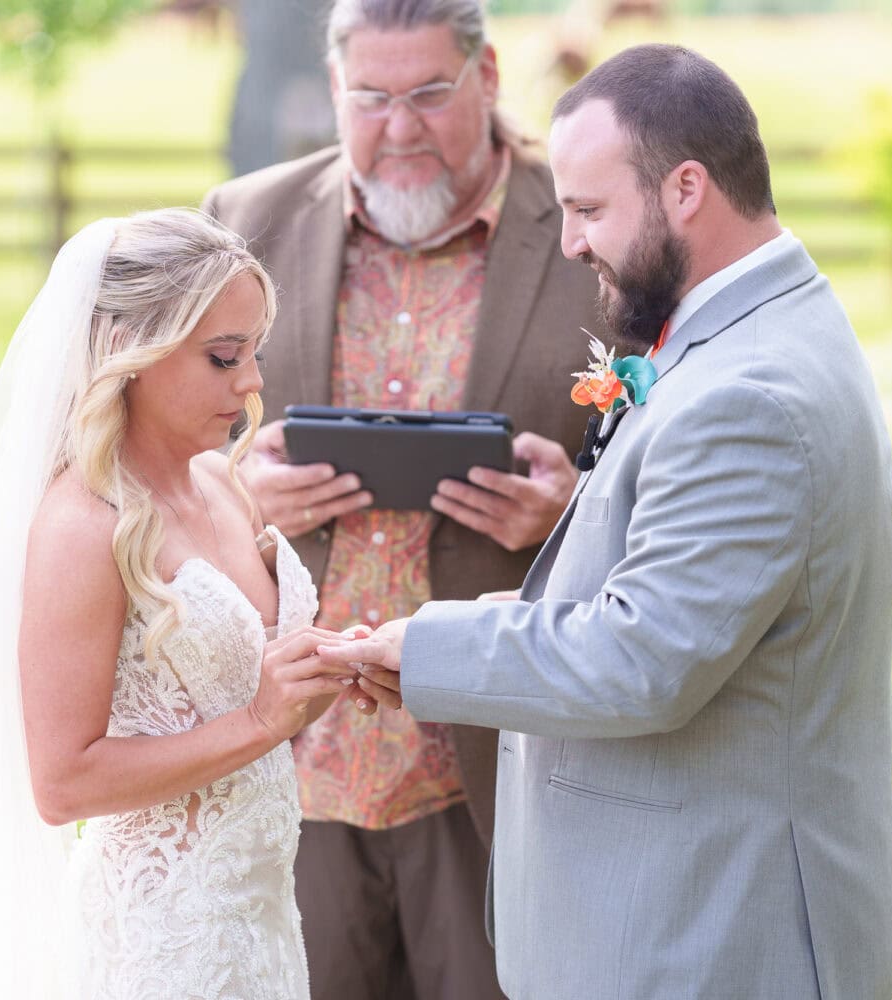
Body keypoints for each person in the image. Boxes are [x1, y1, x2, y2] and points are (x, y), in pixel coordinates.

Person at [322, 44, 892, 999]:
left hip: (713, 934)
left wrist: (426, 651)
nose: (571, 242)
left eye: (588, 210)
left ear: (686, 188)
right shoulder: (749, 334)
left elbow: (646, 658)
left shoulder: (751, 394)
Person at [0, 208, 373, 1000]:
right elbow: (62, 782)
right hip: (160, 943)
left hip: (262, 923)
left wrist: (332, 662)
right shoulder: (83, 527)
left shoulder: (221, 482)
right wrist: (262, 722)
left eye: (255, 352)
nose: (254, 382)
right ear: (131, 355)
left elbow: (236, 669)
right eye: (224, 357)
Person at [200, 2, 601, 997]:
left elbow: (678, 469)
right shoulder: (243, 222)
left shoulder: (593, 224)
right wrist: (238, 493)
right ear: (337, 91)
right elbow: (162, 456)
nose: (401, 126)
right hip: (291, 758)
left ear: (490, 74)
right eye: (372, 99)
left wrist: (573, 514)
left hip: (505, 764)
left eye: (429, 93)